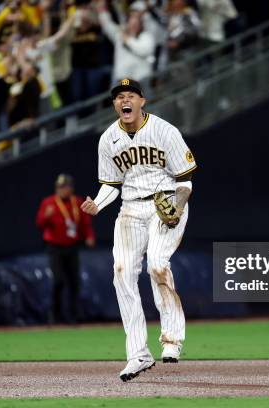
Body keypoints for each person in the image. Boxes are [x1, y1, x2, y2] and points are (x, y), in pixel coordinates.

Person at [81, 78, 197, 381]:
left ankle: (172, 340)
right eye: (119, 97)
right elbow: (111, 184)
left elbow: (185, 179)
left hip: (166, 203)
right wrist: (98, 203)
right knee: (122, 274)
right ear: (115, 105)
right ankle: (138, 354)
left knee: (157, 265)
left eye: (130, 95)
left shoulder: (164, 131)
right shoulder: (108, 139)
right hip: (131, 209)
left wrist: (178, 208)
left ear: (142, 101)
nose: (124, 100)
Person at [36, 174, 96, 323]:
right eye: (58, 187)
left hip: (72, 246)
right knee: (58, 281)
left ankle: (74, 316)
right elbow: (39, 224)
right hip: (55, 247)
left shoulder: (77, 202)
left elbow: (85, 222)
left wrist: (89, 236)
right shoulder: (48, 203)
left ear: (70, 188)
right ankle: (55, 315)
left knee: (74, 281)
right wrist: (46, 216)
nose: (61, 190)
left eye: (64, 187)